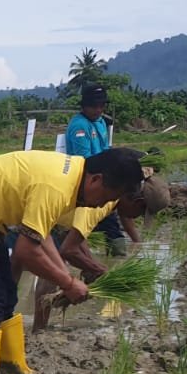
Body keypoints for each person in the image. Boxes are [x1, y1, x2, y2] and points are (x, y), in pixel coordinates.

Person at [0, 148, 145, 374]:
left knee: (6, 295)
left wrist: (63, 274)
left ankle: (11, 365)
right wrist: (67, 282)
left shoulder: (73, 178)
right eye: (110, 196)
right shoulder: (58, 187)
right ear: (96, 179)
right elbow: (25, 252)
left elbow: (39, 236)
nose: (104, 204)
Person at [25, 174, 168, 329]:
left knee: (47, 270)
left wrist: (90, 267)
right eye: (141, 212)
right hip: (33, 210)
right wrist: (100, 271)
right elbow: (69, 250)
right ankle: (37, 330)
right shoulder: (101, 204)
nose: (136, 217)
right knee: (50, 272)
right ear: (137, 202)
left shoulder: (108, 201)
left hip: (52, 219)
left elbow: (78, 236)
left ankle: (33, 327)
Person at [66, 85, 138, 256]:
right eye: (94, 106)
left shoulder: (100, 122)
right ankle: (111, 257)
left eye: (101, 106)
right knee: (93, 223)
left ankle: (126, 250)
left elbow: (106, 149)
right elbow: (85, 160)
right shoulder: (79, 126)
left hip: (104, 177)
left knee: (110, 219)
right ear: (84, 106)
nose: (98, 110)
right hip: (88, 180)